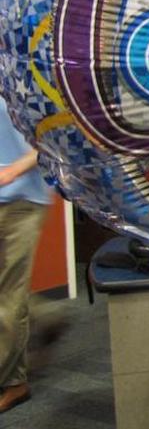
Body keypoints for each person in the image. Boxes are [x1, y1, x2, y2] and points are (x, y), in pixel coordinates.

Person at [0, 97, 52, 414]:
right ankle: (46, 315)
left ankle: (13, 382)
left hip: (22, 201)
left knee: (9, 295)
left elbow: (51, 139)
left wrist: (14, 171)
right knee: (8, 292)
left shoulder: (22, 77)